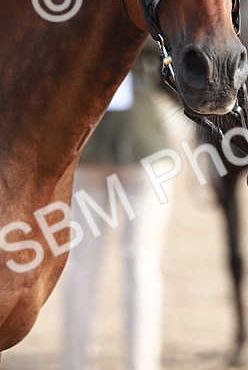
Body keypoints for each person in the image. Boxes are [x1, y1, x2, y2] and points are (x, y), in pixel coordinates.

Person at [62, 43, 175, 370]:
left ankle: (75, 363)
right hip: (145, 146)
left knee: (82, 263)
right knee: (141, 263)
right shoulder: (142, 17)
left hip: (86, 146)